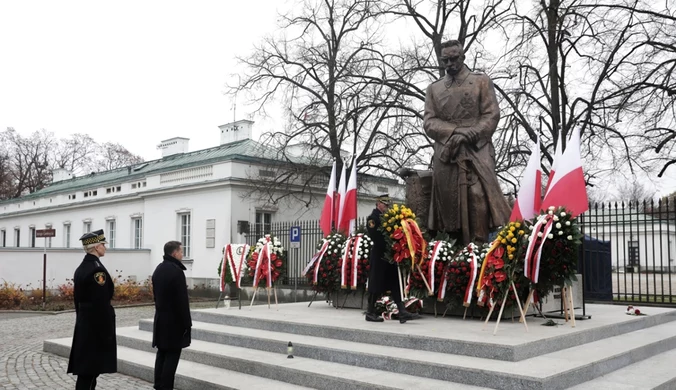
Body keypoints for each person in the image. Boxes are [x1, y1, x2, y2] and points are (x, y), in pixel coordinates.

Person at [423, 40, 511, 245]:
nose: (450, 64)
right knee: (448, 204)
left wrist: (468, 134)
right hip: (447, 151)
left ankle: (478, 247)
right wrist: (454, 133)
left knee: (477, 194)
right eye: (445, 60)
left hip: (476, 148)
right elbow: (429, 122)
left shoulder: (481, 81)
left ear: (462, 57)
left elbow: (491, 115)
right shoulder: (434, 89)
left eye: (454, 59)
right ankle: (452, 248)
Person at [67, 229, 117, 390]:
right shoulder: (97, 271)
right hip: (95, 329)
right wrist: (106, 333)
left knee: (89, 371)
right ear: (96, 247)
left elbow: (78, 301)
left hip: (86, 324)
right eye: (103, 244)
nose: (105, 248)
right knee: (89, 371)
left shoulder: (83, 267)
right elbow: (100, 303)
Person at [365, 194, 420, 323]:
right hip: (379, 256)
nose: (387, 207)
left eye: (388, 205)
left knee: (395, 282)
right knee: (376, 283)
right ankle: (370, 312)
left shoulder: (389, 218)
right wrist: (391, 244)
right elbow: (376, 238)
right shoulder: (373, 219)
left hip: (390, 256)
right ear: (378, 203)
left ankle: (402, 312)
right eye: (385, 204)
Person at [152, 241, 192, 390]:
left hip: (161, 319)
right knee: (172, 356)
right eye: (181, 251)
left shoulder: (159, 269)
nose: (182, 254)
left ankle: (158, 384)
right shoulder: (176, 271)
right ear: (174, 253)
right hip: (174, 322)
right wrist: (187, 324)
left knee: (162, 353)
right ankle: (165, 386)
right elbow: (182, 301)